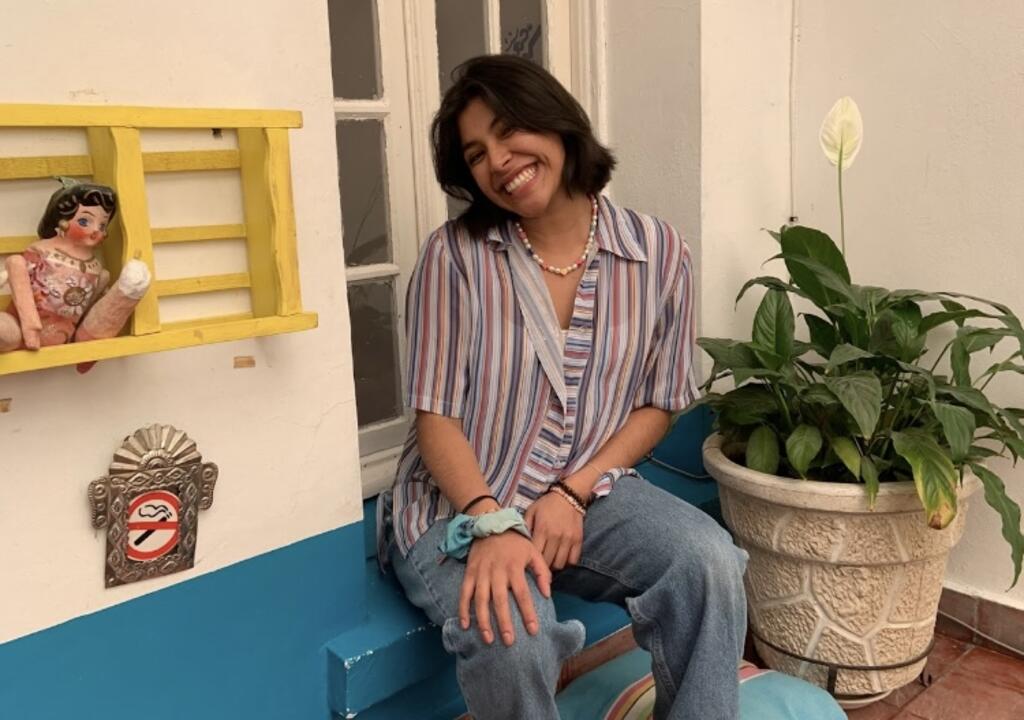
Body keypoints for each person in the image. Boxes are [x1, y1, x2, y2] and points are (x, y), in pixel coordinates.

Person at [377, 54, 748, 720]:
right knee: (511, 634)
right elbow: (437, 419)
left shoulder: (660, 253)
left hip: (583, 492)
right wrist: (491, 522)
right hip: (456, 504)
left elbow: (660, 402)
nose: (498, 161)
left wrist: (573, 493)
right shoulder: (453, 258)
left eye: (508, 130)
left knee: (707, 562)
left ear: (556, 123)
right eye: (476, 153)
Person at [0, 179, 150, 362]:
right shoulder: (43, 251)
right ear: (62, 221)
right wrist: (30, 325)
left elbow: (87, 309)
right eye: (84, 221)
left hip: (64, 338)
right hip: (20, 329)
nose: (96, 230)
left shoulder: (96, 269)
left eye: (102, 225)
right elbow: (18, 274)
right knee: (5, 332)